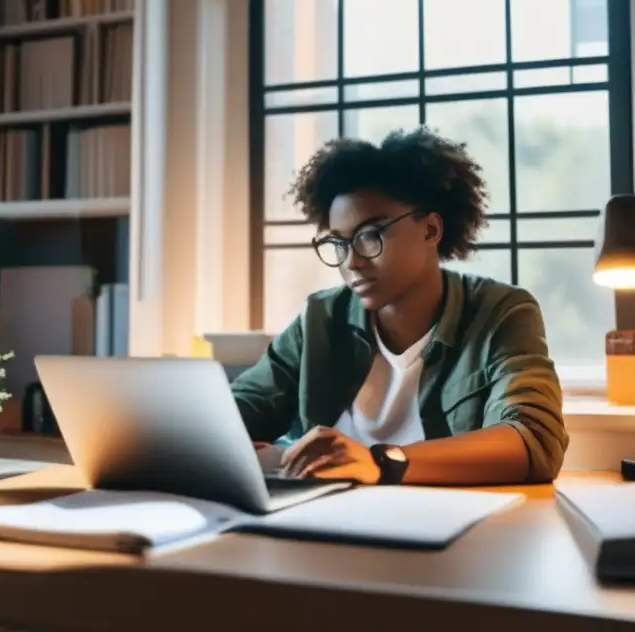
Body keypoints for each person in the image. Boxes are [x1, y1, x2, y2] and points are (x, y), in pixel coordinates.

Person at [231, 127, 568, 486]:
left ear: (431, 229)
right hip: (320, 520)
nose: (353, 262)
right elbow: (230, 415)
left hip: (444, 525)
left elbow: (534, 440)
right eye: (339, 244)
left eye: (370, 236)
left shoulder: (501, 312)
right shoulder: (321, 317)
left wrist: (381, 463)